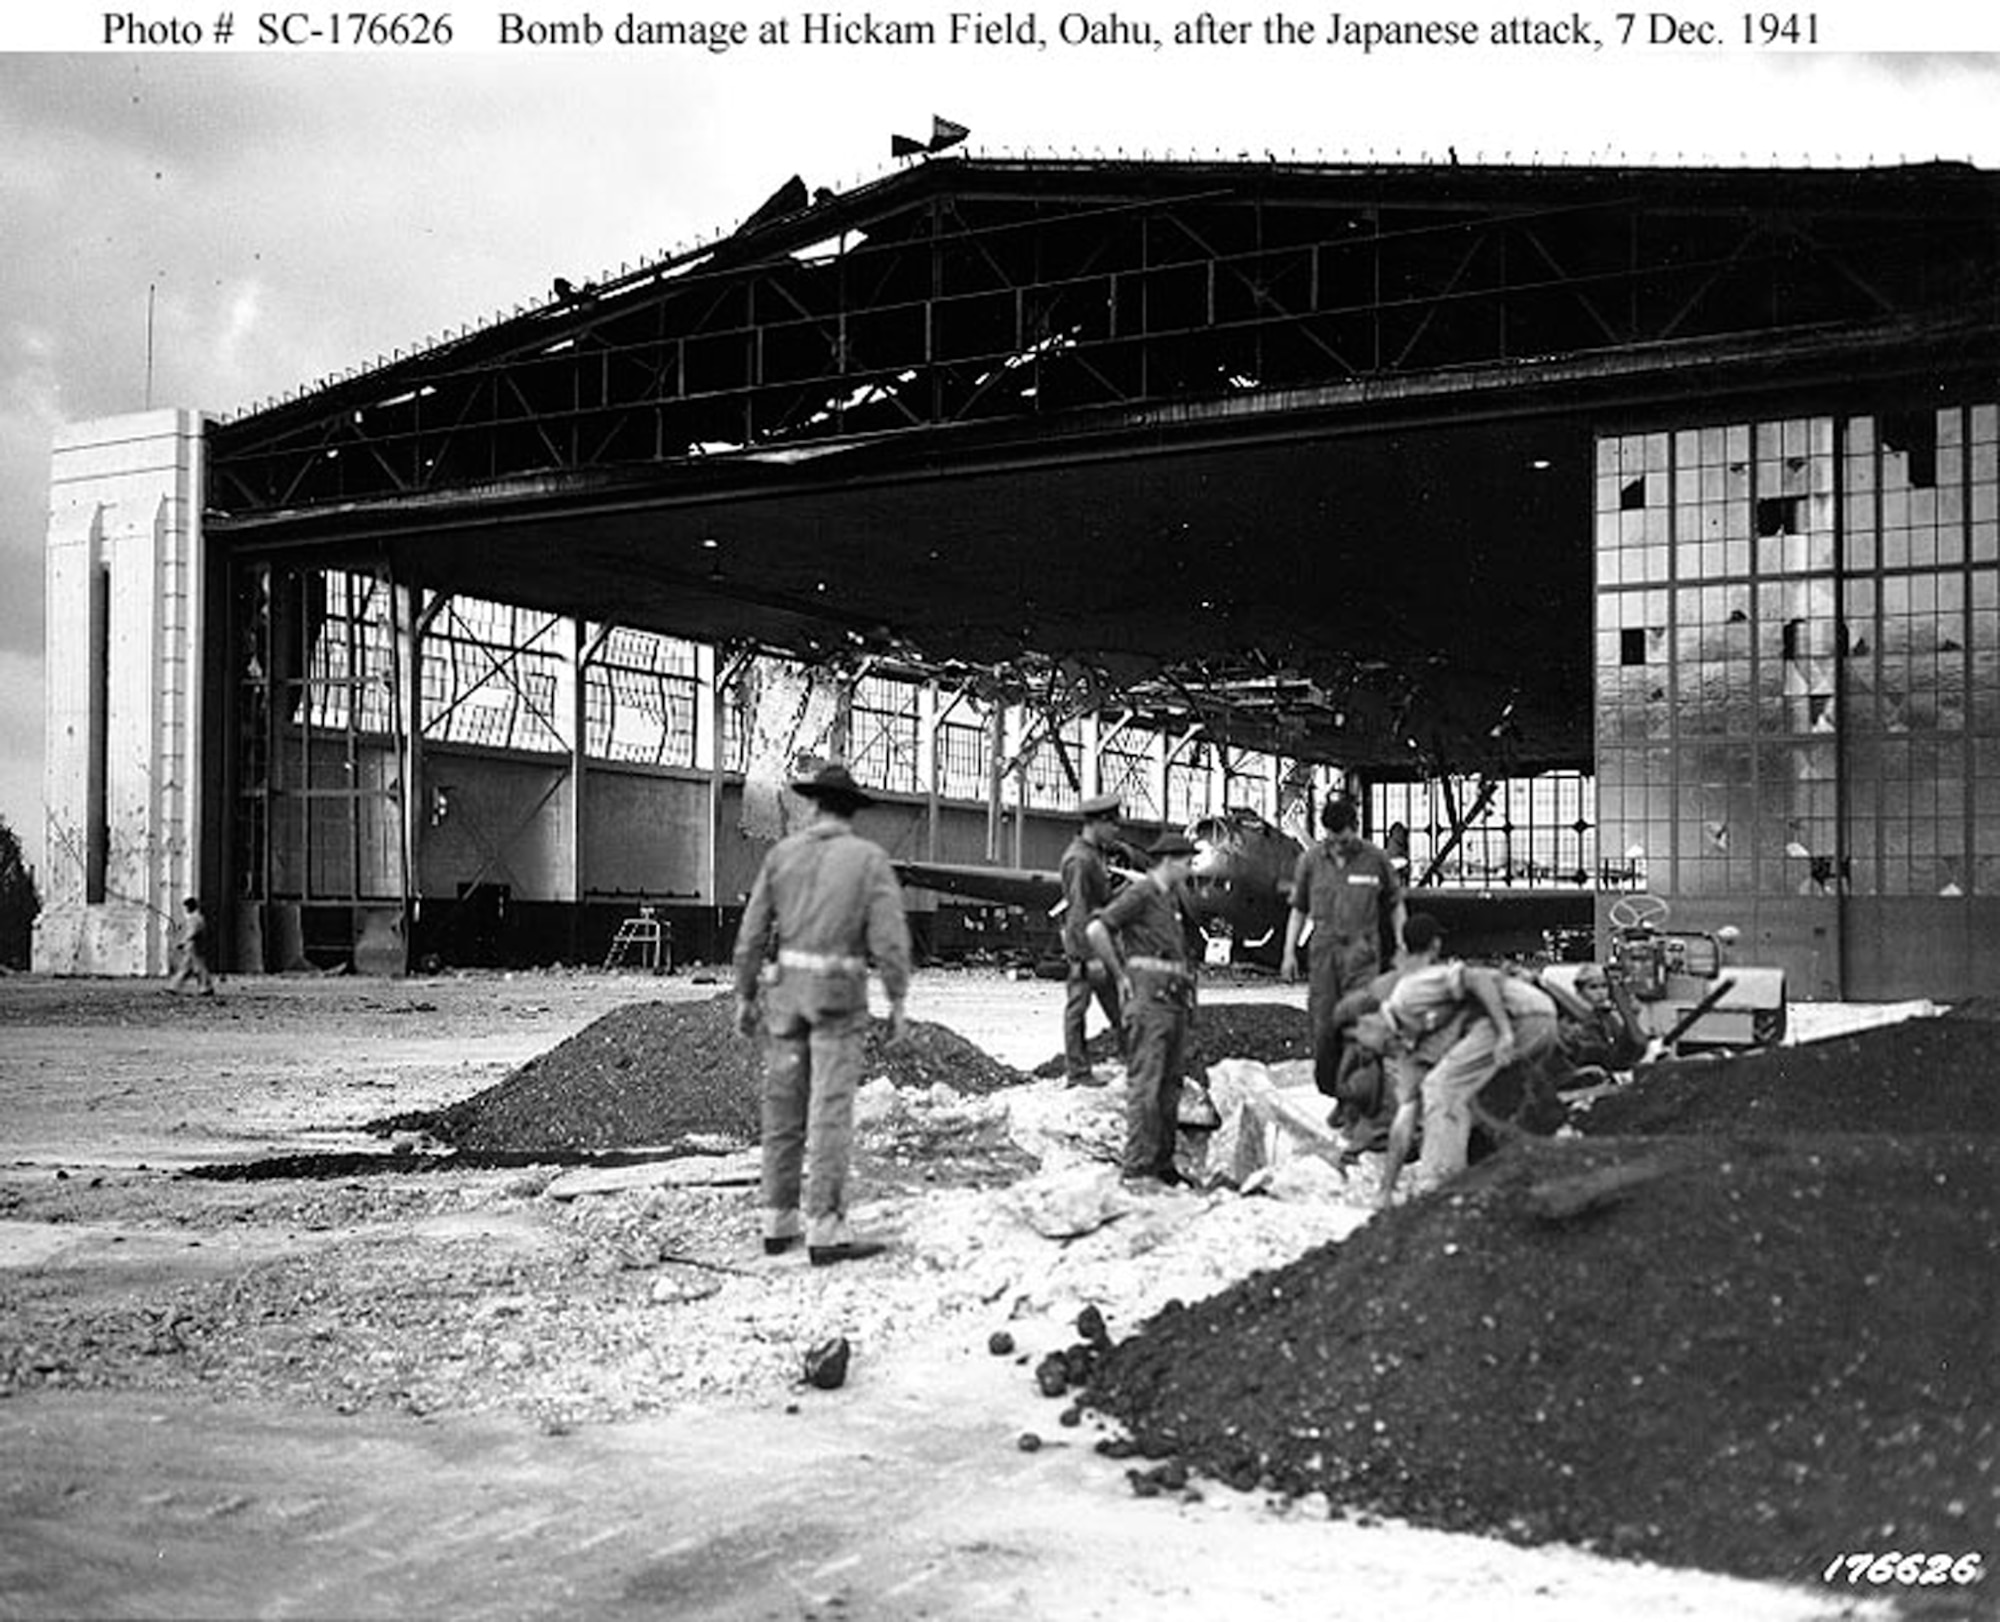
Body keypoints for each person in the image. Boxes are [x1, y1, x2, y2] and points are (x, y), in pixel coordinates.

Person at [733, 762, 913, 1266]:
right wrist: (897, 999)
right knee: (829, 1113)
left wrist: (745, 995)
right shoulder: (867, 860)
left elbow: (751, 935)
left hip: (786, 999)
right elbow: (890, 941)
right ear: (853, 811)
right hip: (838, 1002)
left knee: (783, 1110)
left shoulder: (781, 855)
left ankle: (777, 1223)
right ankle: (826, 1231)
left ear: (812, 805)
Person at [1371, 946, 1560, 1209]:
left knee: (1441, 1087)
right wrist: (1386, 1189)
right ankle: (1532, 1168)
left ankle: (1439, 1187)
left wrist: (1504, 1031)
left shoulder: (1409, 994)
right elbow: (1404, 1122)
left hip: (1520, 1015)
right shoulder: (1415, 1050)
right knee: (1487, 1102)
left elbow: (1479, 978)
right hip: (1542, 1021)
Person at [1085, 831, 1200, 1191]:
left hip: (1173, 1001)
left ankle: (1161, 1163)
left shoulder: (1171, 900)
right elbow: (1097, 929)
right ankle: (1136, 1167)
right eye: (1186, 861)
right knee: (1146, 1086)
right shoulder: (1142, 893)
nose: (1190, 867)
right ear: (1168, 861)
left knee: (1170, 1087)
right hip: (1149, 1001)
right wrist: (1120, 974)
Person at [1281, 795, 1405, 1085]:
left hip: (1362, 952)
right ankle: (1328, 1085)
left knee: (1361, 1019)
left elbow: (1396, 905)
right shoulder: (1311, 861)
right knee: (1323, 1022)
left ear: (1355, 828)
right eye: (1331, 836)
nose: (1337, 843)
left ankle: (1362, 1088)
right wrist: (1289, 952)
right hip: (1324, 951)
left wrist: (1402, 944)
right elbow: (1298, 909)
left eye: (1343, 836)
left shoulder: (1376, 860)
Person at [1059, 791, 1127, 1085]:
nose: (1116, 830)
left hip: (1103, 946)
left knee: (1122, 1007)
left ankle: (1133, 1062)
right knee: (1077, 1009)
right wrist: (1089, 957)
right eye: (1112, 824)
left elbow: (1103, 901)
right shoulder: (1079, 860)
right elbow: (1077, 911)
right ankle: (1077, 1072)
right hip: (1089, 951)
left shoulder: (1093, 855)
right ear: (1097, 823)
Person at [166, 896, 214, 995]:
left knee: (196, 968)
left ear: (189, 907)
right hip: (195, 946)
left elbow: (193, 932)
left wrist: (183, 942)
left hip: (194, 947)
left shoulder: (194, 919)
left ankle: (174, 987)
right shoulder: (198, 917)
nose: (185, 910)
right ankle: (174, 987)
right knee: (190, 968)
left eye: (186, 907)